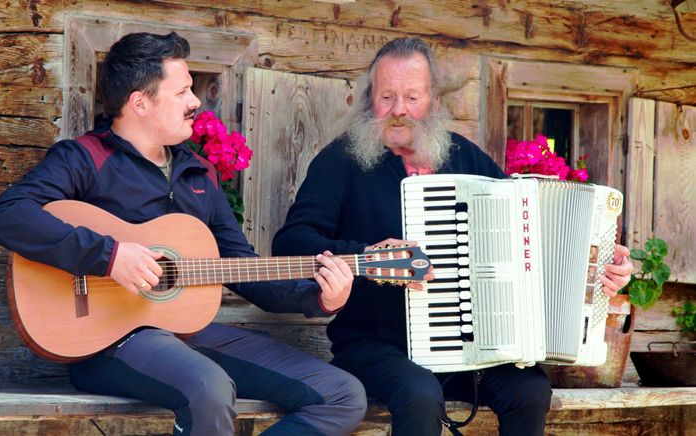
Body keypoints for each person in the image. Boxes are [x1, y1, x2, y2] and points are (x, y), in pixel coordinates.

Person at [0, 31, 368, 436]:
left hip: (187, 334)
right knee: (209, 387)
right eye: (183, 90)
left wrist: (319, 297)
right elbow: (8, 214)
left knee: (341, 393)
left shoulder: (199, 174)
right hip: (107, 343)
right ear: (140, 102)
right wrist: (110, 257)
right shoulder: (84, 158)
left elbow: (242, 267)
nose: (196, 101)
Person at [271, 37, 634, 436]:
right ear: (368, 100)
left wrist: (593, 264)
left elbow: (524, 235)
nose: (398, 111)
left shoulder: (465, 157)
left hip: (470, 346)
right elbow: (291, 243)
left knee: (530, 391)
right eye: (386, 96)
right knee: (420, 395)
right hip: (374, 344)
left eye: (412, 97)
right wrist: (366, 255)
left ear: (435, 102)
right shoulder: (341, 160)